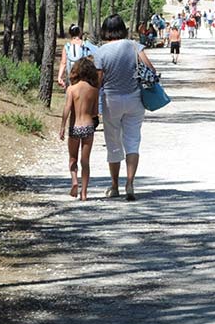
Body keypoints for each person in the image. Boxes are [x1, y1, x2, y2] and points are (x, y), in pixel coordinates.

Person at [93, 14, 157, 201]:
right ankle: (130, 183)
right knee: (132, 141)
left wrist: (92, 107)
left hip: (111, 100)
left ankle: (114, 186)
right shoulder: (134, 46)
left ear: (106, 30)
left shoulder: (101, 52)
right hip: (135, 99)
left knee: (113, 143)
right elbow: (150, 70)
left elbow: (98, 81)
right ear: (123, 28)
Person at [59, 56, 100, 200]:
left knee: (72, 158)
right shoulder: (94, 90)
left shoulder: (71, 89)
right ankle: (84, 193)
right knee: (85, 161)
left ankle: (74, 181)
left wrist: (63, 126)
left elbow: (67, 109)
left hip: (74, 127)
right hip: (88, 127)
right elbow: (95, 112)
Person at [56, 24, 95, 89]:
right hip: (83, 77)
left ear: (70, 34)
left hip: (71, 77)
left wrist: (59, 77)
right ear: (80, 33)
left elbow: (63, 63)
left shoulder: (67, 46)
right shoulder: (85, 44)